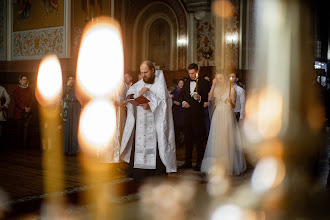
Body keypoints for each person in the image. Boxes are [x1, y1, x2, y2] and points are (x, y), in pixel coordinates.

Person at [120, 60, 177, 182]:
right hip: (141, 124)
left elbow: (165, 104)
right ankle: (139, 174)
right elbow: (130, 95)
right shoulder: (139, 84)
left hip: (154, 125)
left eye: (146, 72)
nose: (143, 75)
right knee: (139, 145)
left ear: (152, 71)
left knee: (156, 147)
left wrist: (150, 105)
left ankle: (156, 175)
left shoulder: (160, 85)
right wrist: (139, 94)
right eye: (141, 72)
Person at [201, 71, 246, 175]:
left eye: (220, 78)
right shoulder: (216, 88)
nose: (218, 80)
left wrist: (230, 101)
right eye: (216, 78)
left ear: (225, 79)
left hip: (227, 114)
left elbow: (233, 106)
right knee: (217, 138)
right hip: (218, 115)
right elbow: (210, 98)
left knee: (226, 138)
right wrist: (213, 85)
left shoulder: (232, 89)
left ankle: (228, 165)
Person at [178, 63, 209, 171]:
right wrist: (183, 102)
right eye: (189, 73)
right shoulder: (186, 82)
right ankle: (187, 162)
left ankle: (200, 163)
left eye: (192, 73)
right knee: (188, 139)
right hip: (187, 115)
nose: (191, 75)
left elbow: (207, 98)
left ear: (197, 72)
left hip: (198, 115)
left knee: (199, 140)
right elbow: (181, 95)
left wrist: (200, 98)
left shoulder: (205, 83)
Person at [62, 76, 81, 155]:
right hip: (68, 107)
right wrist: (68, 87)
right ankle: (66, 149)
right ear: (68, 80)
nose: (71, 81)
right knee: (67, 128)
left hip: (76, 107)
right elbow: (61, 96)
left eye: (73, 79)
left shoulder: (77, 88)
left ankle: (74, 150)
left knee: (74, 128)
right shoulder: (65, 88)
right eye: (70, 79)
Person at [14, 74, 34, 149]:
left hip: (28, 112)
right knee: (19, 129)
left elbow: (32, 99)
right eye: (23, 79)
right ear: (20, 80)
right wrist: (24, 108)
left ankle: (25, 146)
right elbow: (17, 100)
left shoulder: (29, 89)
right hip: (19, 112)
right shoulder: (16, 88)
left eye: (26, 79)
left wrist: (29, 108)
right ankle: (18, 146)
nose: (25, 81)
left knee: (26, 128)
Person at [170, 79, 185, 148]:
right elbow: (168, 99)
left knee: (183, 127)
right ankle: (177, 142)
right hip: (176, 111)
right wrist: (173, 101)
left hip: (183, 111)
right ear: (177, 84)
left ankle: (182, 141)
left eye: (182, 83)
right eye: (180, 83)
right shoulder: (173, 92)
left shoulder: (185, 92)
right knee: (176, 127)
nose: (181, 85)